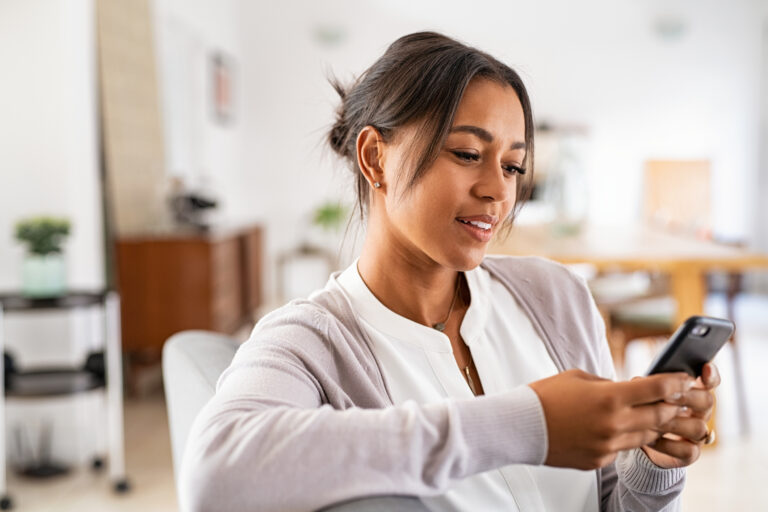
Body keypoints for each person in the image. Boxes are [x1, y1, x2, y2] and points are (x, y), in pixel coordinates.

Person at [179, 32, 720, 512]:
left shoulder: (557, 297)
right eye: (466, 153)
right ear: (375, 158)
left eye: (513, 165)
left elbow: (610, 504)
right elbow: (213, 478)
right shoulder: (312, 341)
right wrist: (530, 426)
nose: (498, 190)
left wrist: (652, 462)